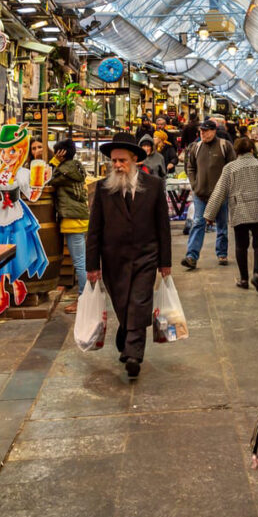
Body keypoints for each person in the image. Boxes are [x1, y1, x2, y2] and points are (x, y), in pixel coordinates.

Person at [86, 133, 171, 379]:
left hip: (146, 255)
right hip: (113, 259)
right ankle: (126, 335)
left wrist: (165, 262)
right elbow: (94, 229)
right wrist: (92, 265)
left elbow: (163, 226)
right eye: (114, 161)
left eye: (122, 161)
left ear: (134, 159)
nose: (117, 165)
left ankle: (134, 355)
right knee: (122, 304)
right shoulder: (103, 188)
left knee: (140, 301)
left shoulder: (154, 186)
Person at [0, 124, 51, 316]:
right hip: (0, 213)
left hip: (17, 213)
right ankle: (1, 294)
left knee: (17, 252)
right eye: (3, 151)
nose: (7, 155)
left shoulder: (23, 173)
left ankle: (16, 284)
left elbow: (32, 197)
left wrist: (41, 183)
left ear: (21, 151)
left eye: (12, 151)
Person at [203, 137, 258, 294]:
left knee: (241, 246)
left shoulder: (229, 168)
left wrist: (209, 214)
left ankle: (244, 279)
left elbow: (219, 192)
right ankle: (257, 274)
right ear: (252, 150)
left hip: (239, 211)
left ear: (236, 151)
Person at [181, 119, 236, 269]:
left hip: (220, 195)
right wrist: (194, 184)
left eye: (206, 131)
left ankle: (222, 253)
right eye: (201, 131)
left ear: (214, 131)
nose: (203, 134)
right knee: (198, 223)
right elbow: (190, 167)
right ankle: (191, 256)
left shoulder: (225, 146)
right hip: (201, 194)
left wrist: (226, 187)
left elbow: (233, 167)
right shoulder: (196, 147)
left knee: (222, 225)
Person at [49, 140, 89, 315]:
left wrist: (54, 162)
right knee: (82, 261)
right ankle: (86, 296)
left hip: (73, 220)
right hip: (79, 218)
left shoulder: (64, 172)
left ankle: (84, 299)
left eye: (56, 152)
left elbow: (48, 180)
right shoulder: (74, 168)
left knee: (80, 263)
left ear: (61, 153)